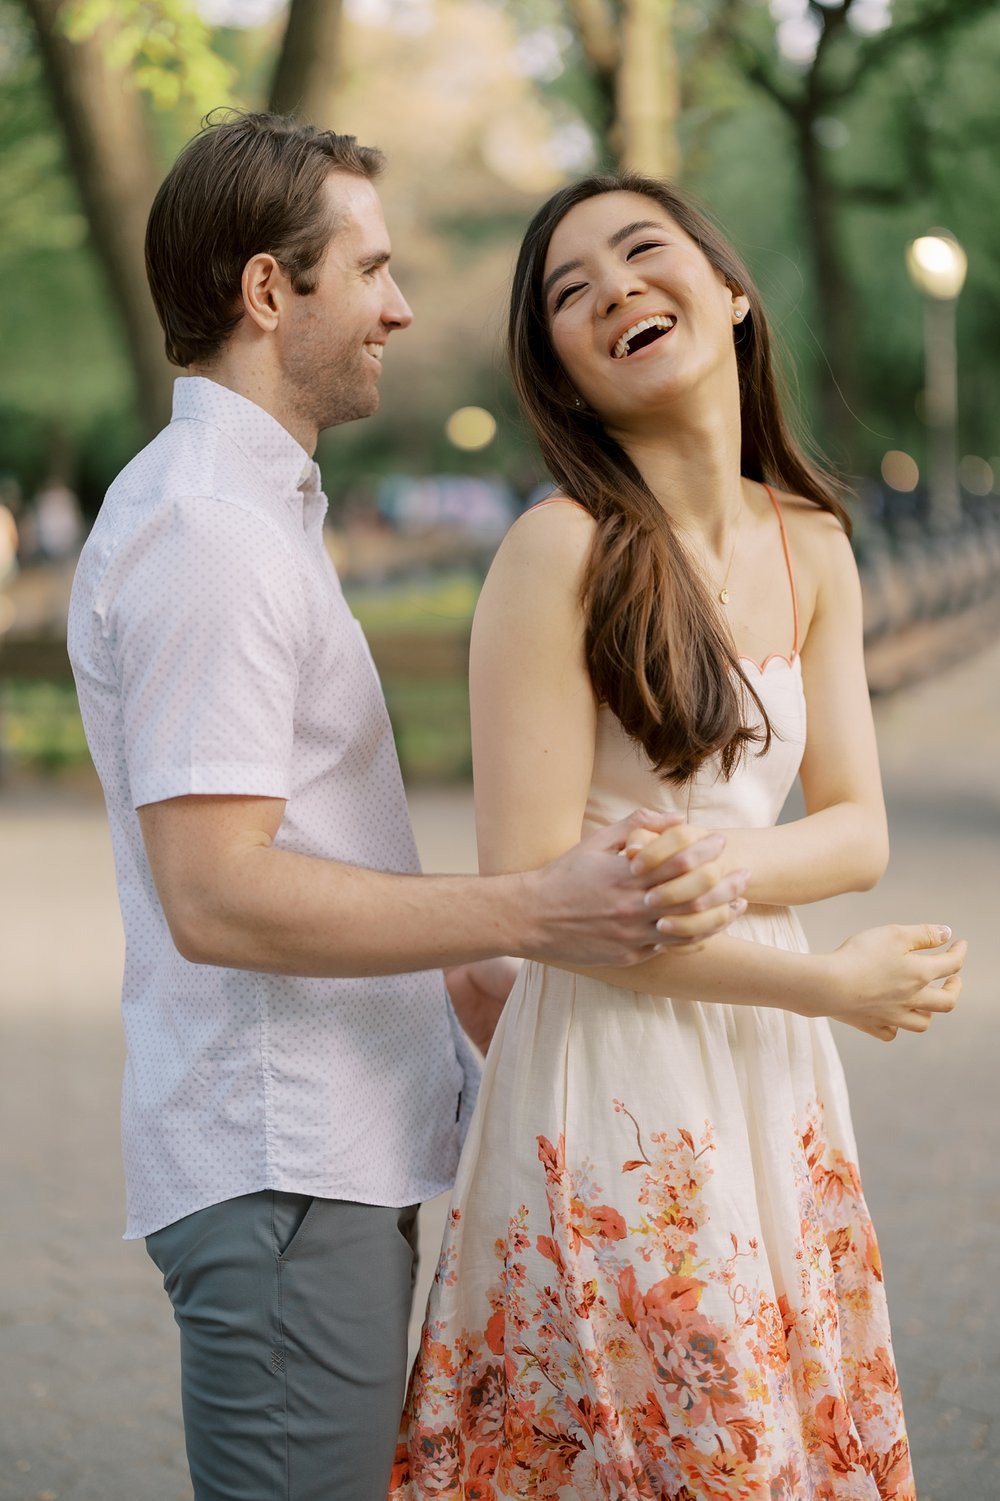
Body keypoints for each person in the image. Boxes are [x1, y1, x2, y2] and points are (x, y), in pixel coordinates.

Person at [66, 117, 750, 1501]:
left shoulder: (248, 514)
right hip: (282, 1173)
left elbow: (293, 843)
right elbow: (217, 890)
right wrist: (530, 903)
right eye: (369, 269)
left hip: (319, 1164)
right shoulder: (209, 534)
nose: (400, 305)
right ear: (270, 292)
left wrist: (455, 963)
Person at [390, 175, 966, 1500]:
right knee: (671, 1442)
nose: (612, 290)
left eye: (643, 253)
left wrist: (713, 869)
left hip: (769, 1074)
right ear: (567, 377)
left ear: (732, 293)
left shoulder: (812, 542)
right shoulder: (559, 553)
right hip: (613, 1071)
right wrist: (830, 980)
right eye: (570, 293)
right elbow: (543, 907)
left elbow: (858, 829)